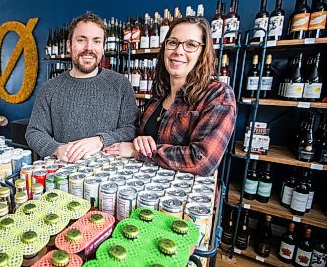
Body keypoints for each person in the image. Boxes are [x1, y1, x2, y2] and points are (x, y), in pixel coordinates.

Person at [104, 16, 236, 176]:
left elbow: (202, 161)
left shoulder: (217, 94)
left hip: (187, 196)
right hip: (146, 187)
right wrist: (139, 142)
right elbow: (141, 139)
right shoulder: (158, 96)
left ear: (202, 52)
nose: (179, 51)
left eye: (191, 45)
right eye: (173, 42)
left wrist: (138, 152)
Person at [26, 12, 137, 163]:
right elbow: (34, 132)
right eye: (81, 40)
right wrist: (56, 149)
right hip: (67, 175)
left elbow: (130, 129)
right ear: (69, 46)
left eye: (96, 41)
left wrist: (100, 140)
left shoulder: (120, 84)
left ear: (103, 48)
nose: (89, 48)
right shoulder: (50, 88)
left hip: (112, 175)